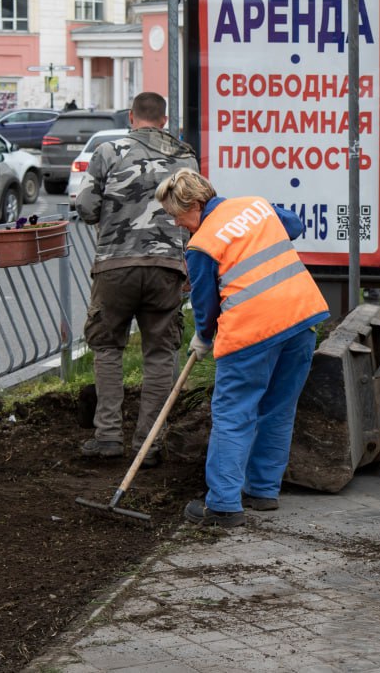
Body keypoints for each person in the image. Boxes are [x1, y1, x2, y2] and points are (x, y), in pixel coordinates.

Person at [156, 168, 330, 529]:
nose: (177, 223)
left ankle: (222, 505)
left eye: (178, 214)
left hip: (252, 332)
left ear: (197, 204)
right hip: (300, 320)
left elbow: (205, 303)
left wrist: (204, 336)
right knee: (278, 410)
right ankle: (264, 491)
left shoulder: (202, 245)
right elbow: (294, 226)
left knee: (234, 416)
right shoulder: (254, 205)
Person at [76, 92, 197, 467]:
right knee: (161, 353)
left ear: (131, 117)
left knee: (108, 347)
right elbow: (198, 209)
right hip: (167, 268)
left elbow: (85, 206)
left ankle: (108, 437)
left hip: (115, 267)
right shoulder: (185, 157)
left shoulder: (108, 153)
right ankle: (149, 444)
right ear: (164, 120)